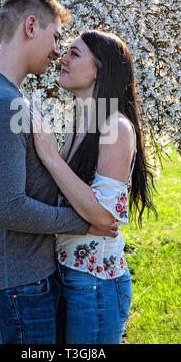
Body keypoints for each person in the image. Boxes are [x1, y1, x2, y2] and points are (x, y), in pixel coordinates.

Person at [0, 0, 118, 345]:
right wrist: (84, 223)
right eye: (56, 37)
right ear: (31, 26)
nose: (58, 51)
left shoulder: (9, 96)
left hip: (22, 282)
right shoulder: (3, 102)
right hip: (15, 285)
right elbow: (9, 209)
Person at [32, 29, 157, 344]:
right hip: (67, 275)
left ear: (101, 70)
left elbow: (105, 217)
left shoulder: (115, 126)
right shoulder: (81, 123)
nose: (63, 58)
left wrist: (50, 155)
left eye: (75, 54)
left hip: (95, 284)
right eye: (66, 51)